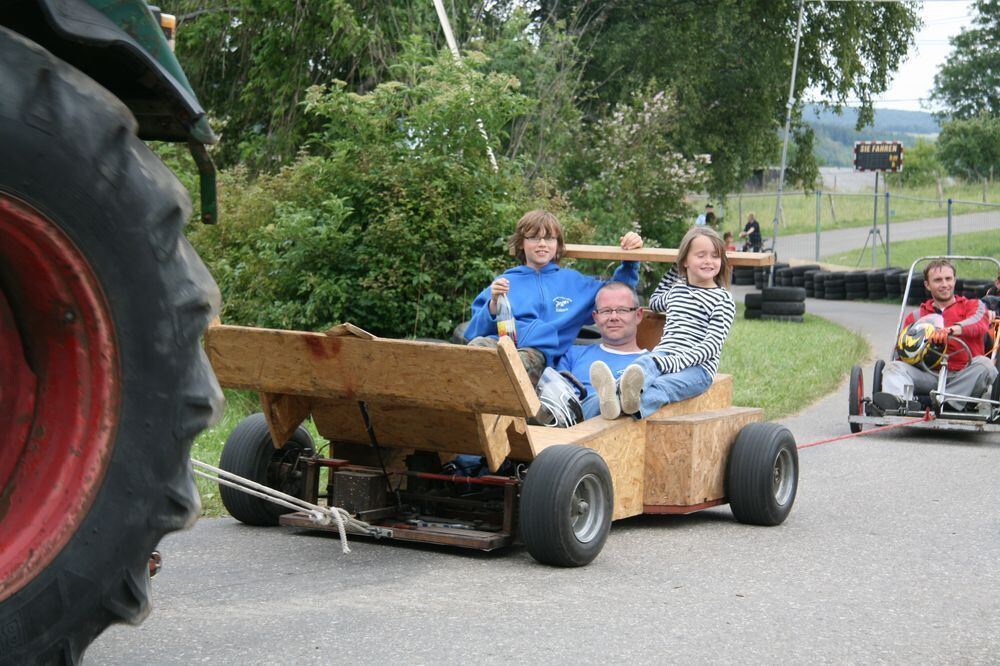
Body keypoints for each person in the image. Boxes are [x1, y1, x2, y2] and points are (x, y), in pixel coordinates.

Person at [464, 210, 643, 384]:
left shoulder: (574, 282)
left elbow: (618, 292)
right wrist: (494, 304)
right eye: (534, 237)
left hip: (538, 355)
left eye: (549, 238)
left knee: (513, 364)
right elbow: (473, 332)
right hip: (500, 344)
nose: (542, 243)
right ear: (520, 243)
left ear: (557, 244)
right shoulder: (505, 282)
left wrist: (630, 260)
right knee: (474, 350)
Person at [592, 227, 735, 420]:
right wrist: (674, 269)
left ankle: (628, 406)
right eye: (701, 255)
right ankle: (612, 396)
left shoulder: (722, 299)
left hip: (698, 368)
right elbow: (655, 301)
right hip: (665, 354)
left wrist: (676, 362)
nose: (709, 261)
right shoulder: (677, 290)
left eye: (715, 256)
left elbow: (711, 347)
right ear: (685, 261)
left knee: (663, 386)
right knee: (643, 364)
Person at [874, 260, 997, 412]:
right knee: (894, 367)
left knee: (986, 365)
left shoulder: (973, 306)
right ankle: (902, 402)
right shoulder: (916, 316)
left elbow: (979, 324)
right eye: (938, 280)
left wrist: (949, 331)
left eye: (948, 279)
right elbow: (901, 353)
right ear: (927, 285)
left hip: (963, 376)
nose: (944, 284)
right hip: (929, 375)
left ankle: (943, 402)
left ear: (954, 280)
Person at [555, 282, 646, 420]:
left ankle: (614, 395)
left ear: (638, 315)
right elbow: (558, 401)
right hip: (575, 429)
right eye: (606, 311)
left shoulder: (652, 362)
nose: (614, 317)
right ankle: (610, 396)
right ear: (595, 317)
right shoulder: (573, 354)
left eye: (622, 310)